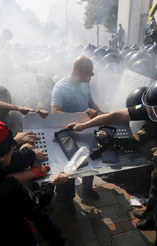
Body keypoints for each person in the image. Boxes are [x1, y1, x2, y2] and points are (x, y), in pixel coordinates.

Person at [67, 77, 157, 230]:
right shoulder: (153, 108)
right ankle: (147, 210)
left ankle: (153, 216)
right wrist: (84, 125)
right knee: (137, 143)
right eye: (152, 109)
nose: (155, 113)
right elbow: (116, 115)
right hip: (156, 139)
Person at [51, 55, 104, 213]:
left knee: (91, 158)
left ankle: (87, 188)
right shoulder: (60, 87)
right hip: (68, 134)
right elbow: (55, 112)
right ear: (79, 71)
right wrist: (81, 114)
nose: (92, 75)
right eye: (90, 72)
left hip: (85, 129)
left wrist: (104, 114)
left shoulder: (85, 84)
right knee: (71, 166)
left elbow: (92, 103)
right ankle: (67, 199)